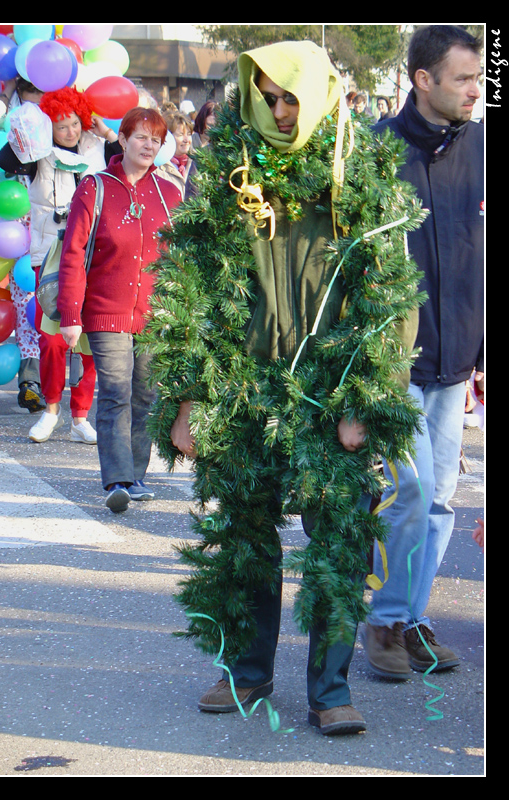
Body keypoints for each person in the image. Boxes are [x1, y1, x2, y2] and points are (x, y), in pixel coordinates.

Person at [139, 41, 427, 736]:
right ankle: (246, 671)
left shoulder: (363, 181)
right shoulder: (230, 176)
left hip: (333, 396)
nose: (277, 109)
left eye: (289, 95)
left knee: (336, 546)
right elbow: (190, 291)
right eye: (266, 96)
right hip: (242, 388)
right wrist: (186, 399)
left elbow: (393, 305)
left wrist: (366, 403)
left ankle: (330, 690)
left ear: (320, 94)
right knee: (244, 537)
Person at [363, 25, 484, 680]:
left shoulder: (484, 147)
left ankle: (411, 616)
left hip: (457, 360)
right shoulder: (377, 153)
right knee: (407, 490)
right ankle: (383, 618)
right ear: (423, 81)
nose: (475, 90)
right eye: (463, 78)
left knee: (439, 498)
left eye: (478, 78)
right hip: (395, 360)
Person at [57, 107, 182, 512]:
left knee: (145, 395)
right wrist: (71, 315)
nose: (149, 145)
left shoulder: (170, 193)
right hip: (105, 311)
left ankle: (137, 475)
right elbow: (73, 254)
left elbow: (182, 259)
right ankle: (117, 480)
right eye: (141, 137)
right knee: (115, 392)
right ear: (122, 140)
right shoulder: (95, 187)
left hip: (154, 314)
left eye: (157, 140)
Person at [0, 86, 120, 444]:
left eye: (74, 124)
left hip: (92, 255)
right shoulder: (38, 156)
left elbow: (128, 158)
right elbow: (6, 161)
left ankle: (80, 416)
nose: (69, 132)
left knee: (91, 339)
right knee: (51, 338)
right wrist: (29, 127)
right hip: (50, 256)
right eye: (61, 125)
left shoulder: (98, 150)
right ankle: (51, 410)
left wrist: (106, 132)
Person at [0, 77, 46, 413]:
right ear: (21, 93)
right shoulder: (12, 127)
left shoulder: (56, 135)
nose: (36, 99)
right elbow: (3, 157)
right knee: (26, 300)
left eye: (42, 93)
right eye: (31, 92)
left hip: (54, 228)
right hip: (18, 231)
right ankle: (30, 382)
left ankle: (64, 382)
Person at [157, 111, 194, 198]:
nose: (186, 140)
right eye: (180, 135)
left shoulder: (199, 161)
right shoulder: (158, 167)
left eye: (189, 134)